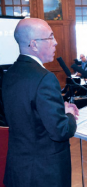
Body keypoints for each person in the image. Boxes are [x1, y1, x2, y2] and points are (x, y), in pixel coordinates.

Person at [2, 18, 79, 187]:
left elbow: (17, 116)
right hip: (44, 174)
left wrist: (58, 109)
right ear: (34, 44)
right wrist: (69, 114)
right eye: (50, 37)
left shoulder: (9, 74)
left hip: (19, 169)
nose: (56, 42)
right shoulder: (45, 78)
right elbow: (61, 130)